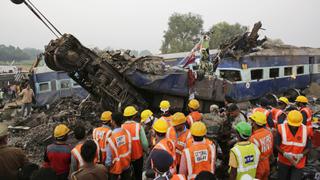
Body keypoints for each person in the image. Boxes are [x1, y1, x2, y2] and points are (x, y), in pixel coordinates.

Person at [275, 110, 312, 180]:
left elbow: (309, 147)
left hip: (298, 162)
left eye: (296, 125)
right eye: (292, 125)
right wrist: (284, 154)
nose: (294, 127)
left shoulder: (306, 130)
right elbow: (276, 145)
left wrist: (301, 155)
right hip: (284, 161)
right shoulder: (281, 128)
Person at [122, 106, 149, 180]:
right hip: (137, 156)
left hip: (126, 156)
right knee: (138, 174)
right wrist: (146, 151)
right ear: (134, 116)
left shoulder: (121, 127)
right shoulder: (138, 126)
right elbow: (144, 143)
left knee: (126, 176)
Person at [105, 112, 132, 180]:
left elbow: (108, 160)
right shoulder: (127, 133)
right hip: (126, 165)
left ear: (113, 122)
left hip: (115, 170)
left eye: (111, 120)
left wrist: (107, 169)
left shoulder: (111, 138)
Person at [248, 112, 273, 180]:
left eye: (252, 121)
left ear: (255, 123)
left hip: (258, 166)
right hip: (266, 163)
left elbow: (251, 157)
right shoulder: (269, 133)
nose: (251, 123)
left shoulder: (253, 138)